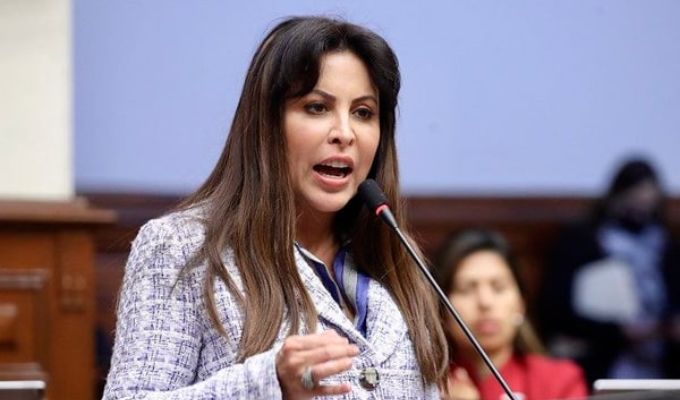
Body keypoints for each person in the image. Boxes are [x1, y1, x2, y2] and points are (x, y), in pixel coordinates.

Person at [102, 16, 449, 399]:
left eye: (363, 112)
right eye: (317, 107)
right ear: (267, 123)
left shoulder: (399, 259)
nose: (345, 133)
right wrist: (268, 383)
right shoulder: (181, 248)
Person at [539, 157, 680, 385]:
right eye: (633, 199)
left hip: (662, 365)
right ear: (615, 197)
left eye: (647, 203)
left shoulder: (668, 246)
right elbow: (555, 309)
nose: (640, 210)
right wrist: (618, 332)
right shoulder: (582, 242)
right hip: (601, 360)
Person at [433, 229, 587, 400]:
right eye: (466, 289)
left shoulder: (559, 380)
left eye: (498, 287)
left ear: (520, 304)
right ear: (441, 307)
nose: (485, 302)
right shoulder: (426, 385)